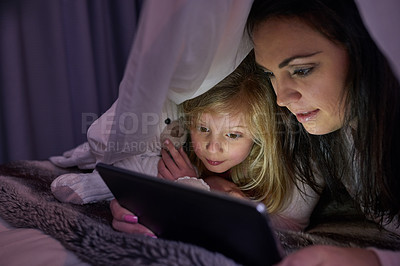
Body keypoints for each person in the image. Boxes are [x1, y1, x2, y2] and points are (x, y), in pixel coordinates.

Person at [245, 0, 400, 265]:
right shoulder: (324, 129)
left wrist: (369, 261)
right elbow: (287, 220)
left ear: (364, 52)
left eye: (302, 70)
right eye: (270, 74)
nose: (281, 97)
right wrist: (227, 207)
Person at [112, 52, 299, 236]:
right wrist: (130, 199)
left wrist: (196, 186)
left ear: (260, 135)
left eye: (233, 135)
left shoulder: (272, 175)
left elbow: (245, 227)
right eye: (203, 129)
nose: (212, 147)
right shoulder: (180, 146)